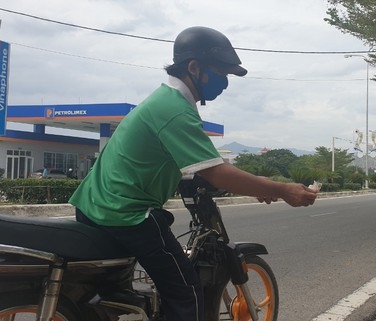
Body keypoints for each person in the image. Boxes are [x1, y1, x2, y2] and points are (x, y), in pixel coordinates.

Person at [69, 26, 318, 321]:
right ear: (194, 68)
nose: (225, 83)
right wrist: (282, 189)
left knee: (116, 292)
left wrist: (259, 187)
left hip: (95, 207)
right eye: (221, 73)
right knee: (187, 294)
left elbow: (194, 167)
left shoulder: (165, 102)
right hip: (126, 214)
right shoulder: (174, 109)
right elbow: (217, 173)